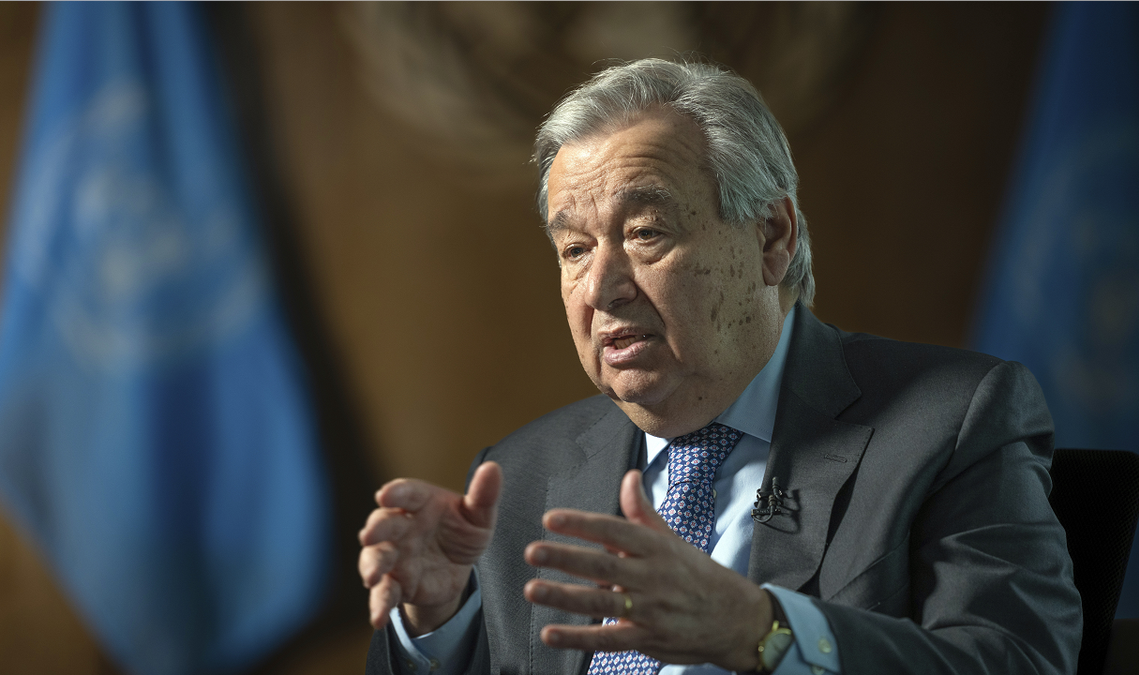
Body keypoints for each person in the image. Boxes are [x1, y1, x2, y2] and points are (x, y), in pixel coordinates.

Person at [358, 58, 1082, 675]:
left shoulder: (948, 423)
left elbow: (1018, 659)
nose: (601, 287)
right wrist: (437, 618)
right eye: (575, 249)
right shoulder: (518, 476)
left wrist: (761, 629)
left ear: (771, 236)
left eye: (645, 233)